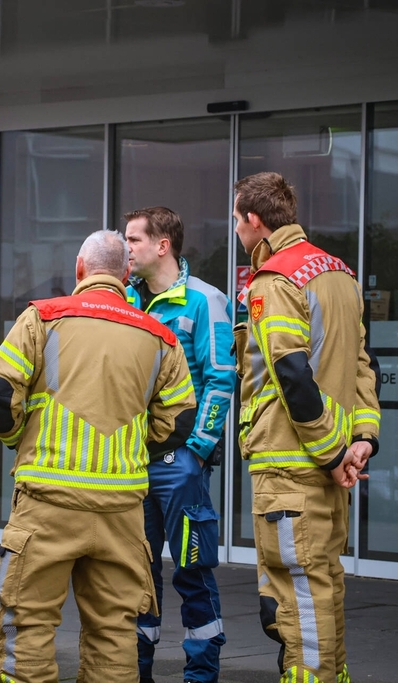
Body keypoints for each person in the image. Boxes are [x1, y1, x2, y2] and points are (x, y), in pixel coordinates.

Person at [0, 230, 198, 683]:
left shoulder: (43, 318)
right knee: (114, 632)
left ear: (80, 269)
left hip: (47, 502)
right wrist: (131, 452)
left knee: (29, 623)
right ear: (125, 275)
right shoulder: (159, 337)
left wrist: (22, 436)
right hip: (121, 510)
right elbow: (178, 422)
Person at [231, 172, 380, 683]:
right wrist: (361, 441)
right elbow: (363, 366)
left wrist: (331, 453)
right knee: (325, 580)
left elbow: (290, 370)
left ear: (255, 220)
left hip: (291, 464)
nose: (236, 230)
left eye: (236, 220)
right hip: (328, 465)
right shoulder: (340, 274)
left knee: (296, 590)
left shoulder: (275, 279)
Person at [124, 207, 235, 683]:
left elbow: (221, 379)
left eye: (133, 239)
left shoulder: (204, 301)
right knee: (137, 576)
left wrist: (197, 449)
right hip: (131, 463)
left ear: (162, 245)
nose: (126, 248)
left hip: (179, 466)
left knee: (192, 572)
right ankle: (137, 672)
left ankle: (201, 677)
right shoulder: (125, 300)